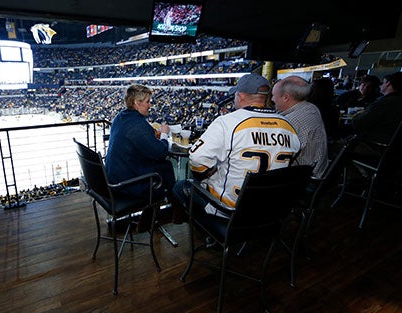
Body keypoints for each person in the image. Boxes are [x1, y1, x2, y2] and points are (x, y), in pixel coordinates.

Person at [172, 73, 301, 218]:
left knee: (180, 186)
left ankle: (197, 231)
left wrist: (207, 173)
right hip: (270, 209)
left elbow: (197, 160)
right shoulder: (288, 126)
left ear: (240, 96)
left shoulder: (228, 122)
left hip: (230, 210)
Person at [104, 84, 178, 231]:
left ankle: (161, 214)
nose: (150, 105)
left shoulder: (121, 117)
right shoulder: (137, 125)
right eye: (148, 101)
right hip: (125, 185)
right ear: (137, 103)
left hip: (114, 177)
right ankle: (174, 209)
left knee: (163, 168)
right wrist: (164, 134)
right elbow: (160, 152)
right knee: (165, 167)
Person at [272, 76, 328, 178]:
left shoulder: (288, 122)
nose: (272, 99)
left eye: (274, 95)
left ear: (286, 97)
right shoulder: (312, 108)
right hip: (319, 172)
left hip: (302, 180)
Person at [350, 71, 402, 157]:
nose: (380, 86)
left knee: (332, 146)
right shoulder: (397, 101)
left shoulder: (385, 103)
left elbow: (357, 123)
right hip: (393, 151)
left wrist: (360, 114)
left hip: (374, 146)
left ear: (388, 83)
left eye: (383, 83)